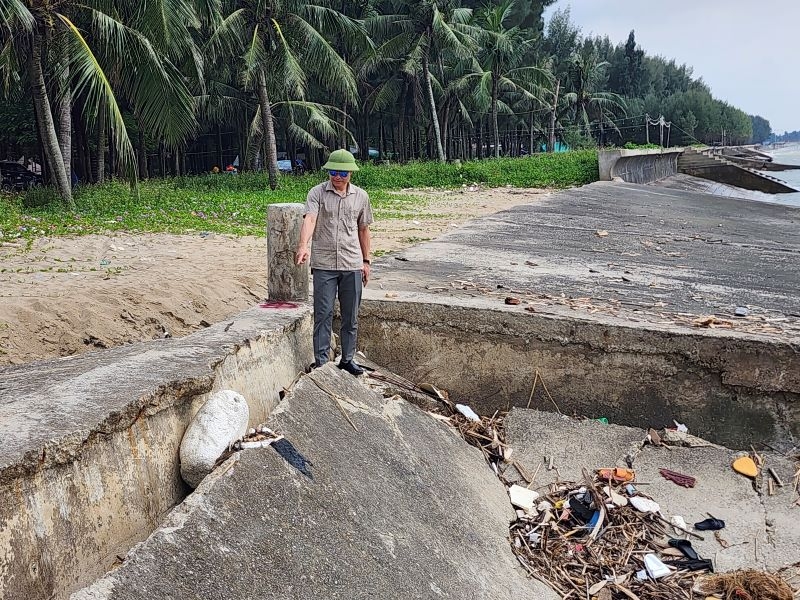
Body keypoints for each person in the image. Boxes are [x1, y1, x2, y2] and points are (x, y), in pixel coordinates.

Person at [295, 149, 373, 375]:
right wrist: (303, 245)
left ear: (350, 173)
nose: (337, 177)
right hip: (324, 264)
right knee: (323, 313)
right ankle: (321, 363)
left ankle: (347, 359)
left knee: (351, 316)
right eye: (332, 172)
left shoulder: (361, 196)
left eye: (342, 172)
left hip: (352, 263)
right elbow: (310, 219)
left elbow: (363, 229)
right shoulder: (316, 193)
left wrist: (366, 262)